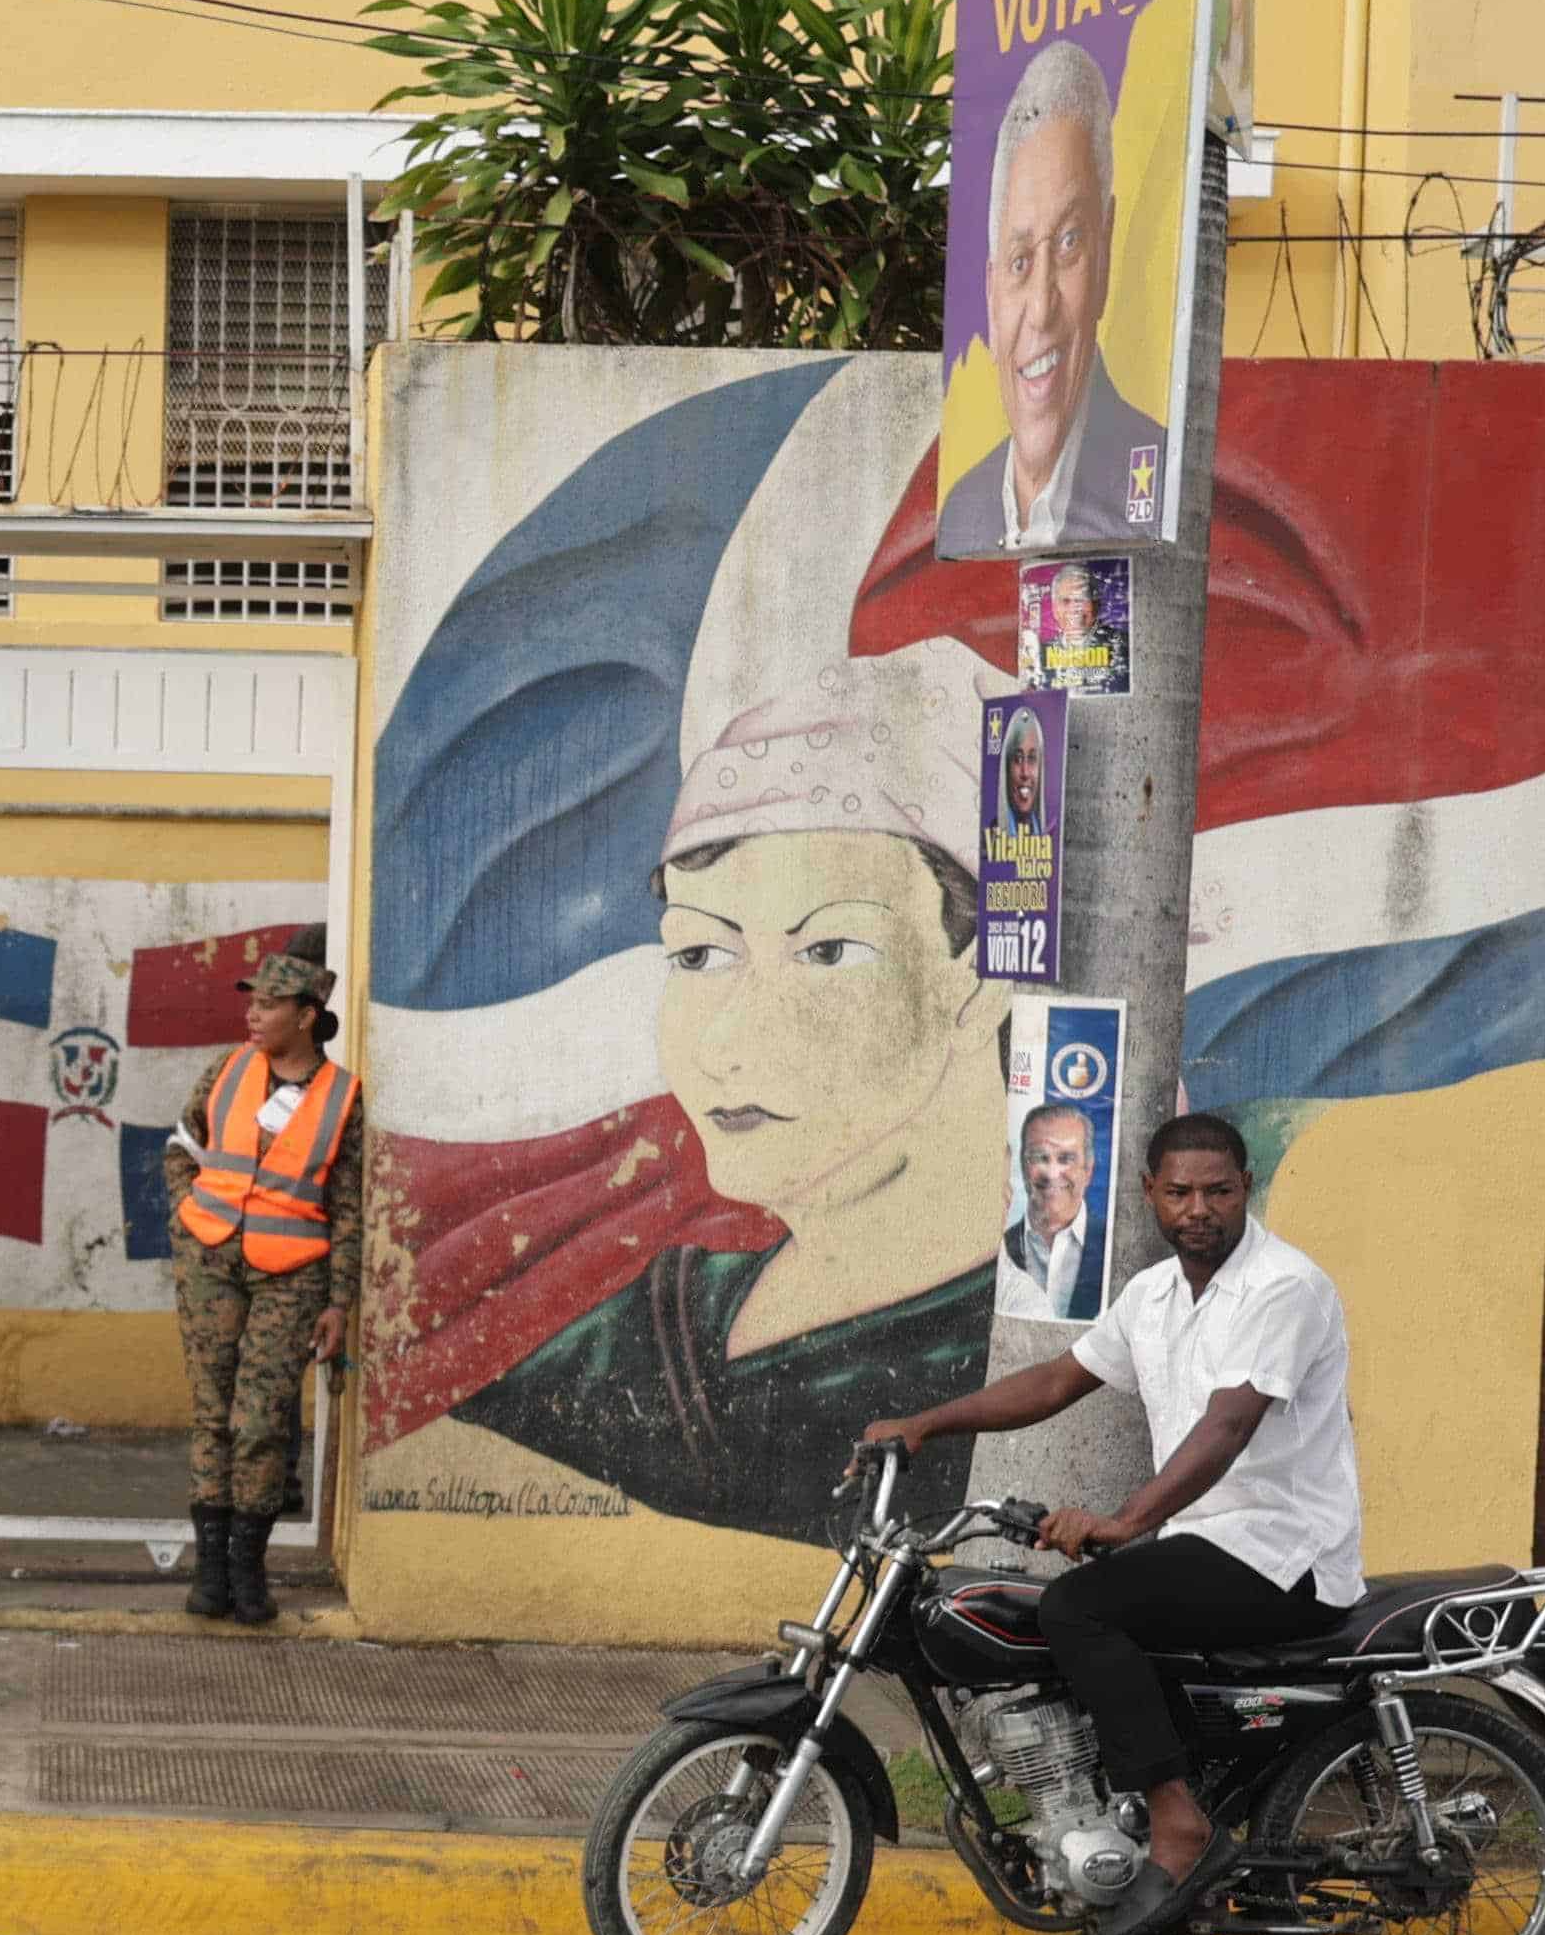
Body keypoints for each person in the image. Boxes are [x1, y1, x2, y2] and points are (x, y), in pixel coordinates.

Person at [457, 644, 1012, 1538]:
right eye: (699, 955)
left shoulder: (1031, 1349)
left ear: (983, 985)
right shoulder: (651, 1332)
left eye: (827, 950)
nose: (728, 1039)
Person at [864, 1113, 1364, 1935]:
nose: (1198, 1208)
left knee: (1078, 1606)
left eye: (1218, 1190)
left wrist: (1129, 1520)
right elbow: (1058, 1380)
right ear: (1149, 1195)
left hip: (1284, 1554)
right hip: (1206, 1543)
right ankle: (1125, 1917)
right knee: (1065, 1645)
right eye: (1179, 1192)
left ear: (1248, 1188)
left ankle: (1181, 1827)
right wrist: (926, 1425)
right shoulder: (1155, 1294)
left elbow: (1229, 1425)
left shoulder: (1284, 1287)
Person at [165, 938, 362, 1626]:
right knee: (213, 1415)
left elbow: (348, 1208)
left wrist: (339, 1300)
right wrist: (183, 1217)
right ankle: (211, 1571)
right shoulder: (226, 1070)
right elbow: (182, 1144)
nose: (254, 1014)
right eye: (253, 1001)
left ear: (307, 1016)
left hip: (291, 1277)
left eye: (271, 1005)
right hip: (209, 1260)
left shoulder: (342, 1098)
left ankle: (251, 1567)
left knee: (261, 1420)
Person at [943, 39, 1171, 553]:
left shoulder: (1154, 474)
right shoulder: (962, 511)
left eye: (1069, 242)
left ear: (1105, 253)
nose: (1042, 310)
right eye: (1020, 263)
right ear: (990, 292)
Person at [997, 1101, 1095, 1322]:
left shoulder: (1115, 1247)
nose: (1052, 1173)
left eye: (1066, 1159)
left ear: (1088, 1170)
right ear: (1023, 1167)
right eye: (1040, 1157)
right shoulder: (1001, 1248)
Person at [997, 710, 1049, 839]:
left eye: (1032, 758)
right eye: (1017, 759)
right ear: (1007, 768)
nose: (1025, 772)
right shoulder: (990, 841)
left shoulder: (1046, 837)